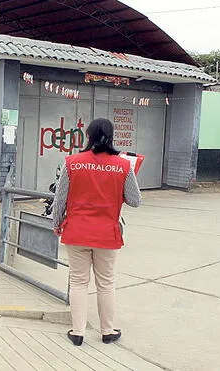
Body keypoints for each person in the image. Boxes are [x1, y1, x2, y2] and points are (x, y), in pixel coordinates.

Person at [52, 118, 142, 346]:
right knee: (106, 283)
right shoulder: (123, 166)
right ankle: (107, 331)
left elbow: (60, 199)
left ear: (88, 136)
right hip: (107, 234)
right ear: (112, 137)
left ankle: (78, 332)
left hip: (77, 232)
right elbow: (135, 201)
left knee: (79, 282)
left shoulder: (72, 162)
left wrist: (56, 222)